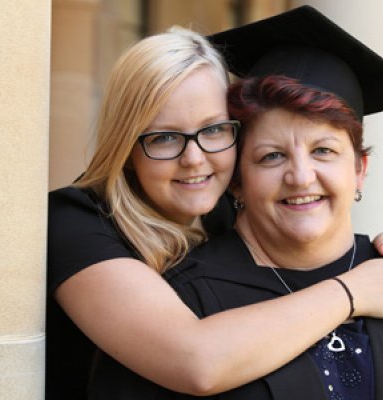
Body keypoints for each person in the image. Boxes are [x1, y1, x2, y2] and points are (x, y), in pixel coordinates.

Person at [47, 17, 383, 400]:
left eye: (212, 130)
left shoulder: (220, 211)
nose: (195, 159)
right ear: (126, 148)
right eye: (165, 137)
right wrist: (356, 288)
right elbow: (195, 360)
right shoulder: (76, 222)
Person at [165, 6, 383, 400]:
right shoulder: (186, 299)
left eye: (323, 151)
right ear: (236, 181)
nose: (300, 176)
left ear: (360, 169)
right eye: (272, 156)